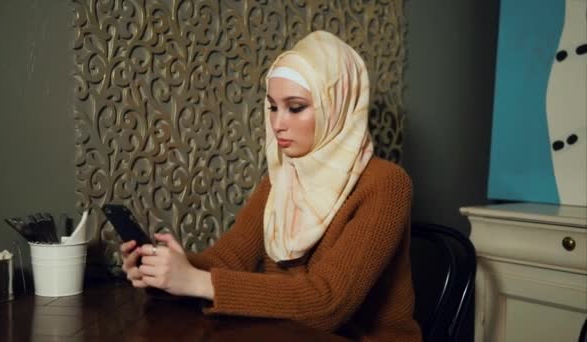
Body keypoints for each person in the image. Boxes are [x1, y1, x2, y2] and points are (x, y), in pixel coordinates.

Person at [121, 30, 422, 341]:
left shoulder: (386, 183)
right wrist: (167, 271)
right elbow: (228, 260)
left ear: (337, 106)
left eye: (295, 108)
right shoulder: (281, 177)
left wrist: (194, 281)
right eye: (272, 107)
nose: (277, 123)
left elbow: (327, 304)